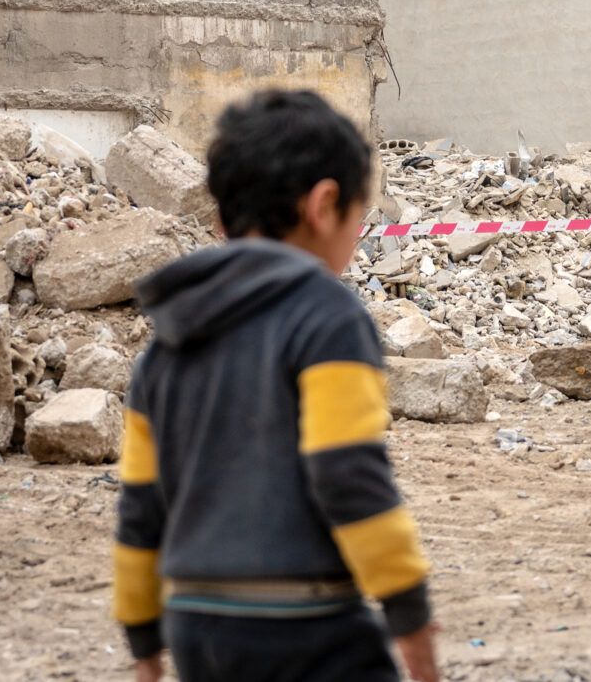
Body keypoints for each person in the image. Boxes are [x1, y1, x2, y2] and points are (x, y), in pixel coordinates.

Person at [112, 89, 441, 682]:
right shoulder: (328, 317)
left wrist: (143, 639)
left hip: (196, 625)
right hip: (308, 628)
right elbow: (346, 472)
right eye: (359, 217)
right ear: (325, 204)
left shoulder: (168, 338)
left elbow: (139, 505)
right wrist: (409, 617)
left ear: (222, 220)